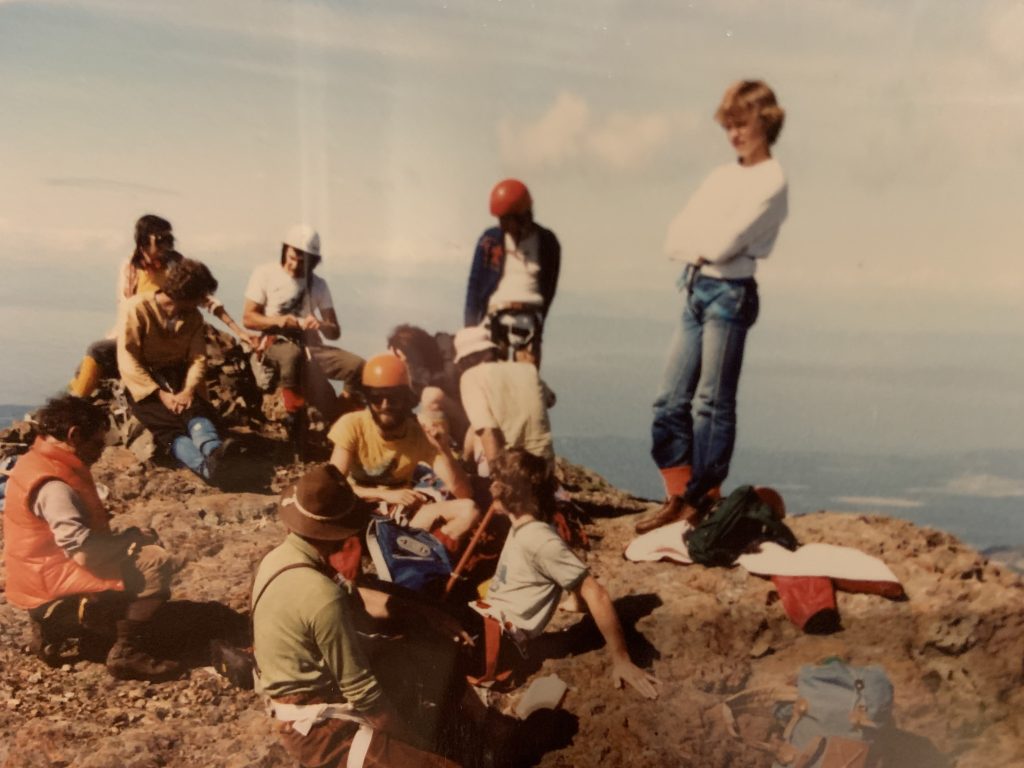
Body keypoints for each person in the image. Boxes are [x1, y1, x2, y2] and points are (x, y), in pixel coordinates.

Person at [637, 79, 789, 535]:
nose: (735, 134)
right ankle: (681, 498)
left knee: (711, 403)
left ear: (765, 122)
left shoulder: (772, 181)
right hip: (694, 287)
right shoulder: (722, 177)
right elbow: (675, 235)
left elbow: (722, 244)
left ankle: (702, 498)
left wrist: (702, 242)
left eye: (743, 124)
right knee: (669, 401)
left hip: (730, 294)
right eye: (730, 126)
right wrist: (701, 244)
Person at [252, 464, 461, 768]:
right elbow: (363, 692)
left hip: (296, 694)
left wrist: (423, 613)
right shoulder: (321, 594)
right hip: (319, 729)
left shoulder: (276, 560)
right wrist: (412, 745)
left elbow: (355, 600)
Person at [3, 396, 181, 680]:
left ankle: (53, 629)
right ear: (73, 435)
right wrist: (131, 543)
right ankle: (126, 651)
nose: (100, 452)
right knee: (154, 561)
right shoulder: (55, 486)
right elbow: (83, 552)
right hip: (53, 586)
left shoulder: (33, 461)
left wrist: (126, 538)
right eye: (97, 444)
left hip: (33, 577)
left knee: (134, 546)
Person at [474, 449, 659, 700]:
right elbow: (561, 577)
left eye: (497, 482)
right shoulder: (523, 526)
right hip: (486, 622)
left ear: (511, 492)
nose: (492, 488)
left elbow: (597, 594)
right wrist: (574, 600)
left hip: (497, 638)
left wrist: (622, 659)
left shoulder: (539, 539)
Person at [69, 214, 257, 398]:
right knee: (91, 360)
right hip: (140, 330)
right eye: (159, 240)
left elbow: (206, 299)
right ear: (143, 241)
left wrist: (238, 331)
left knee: (98, 351)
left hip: (171, 333)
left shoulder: (176, 264)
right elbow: (126, 306)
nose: (166, 245)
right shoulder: (131, 267)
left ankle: (74, 404)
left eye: (169, 239)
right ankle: (73, 403)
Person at [327, 354, 479, 556]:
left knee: (469, 509)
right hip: (358, 513)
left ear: (406, 399)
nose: (384, 405)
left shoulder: (420, 433)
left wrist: (443, 449)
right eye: (376, 398)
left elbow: (463, 493)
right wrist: (385, 494)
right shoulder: (352, 425)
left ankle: (417, 556)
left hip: (400, 518)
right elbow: (333, 487)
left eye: (393, 398)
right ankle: (407, 551)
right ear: (367, 398)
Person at [243, 225, 365, 444]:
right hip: (276, 342)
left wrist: (319, 324)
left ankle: (343, 412)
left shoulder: (318, 285)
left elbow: (334, 331)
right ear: (285, 250)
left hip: (311, 344)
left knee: (357, 366)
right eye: (292, 257)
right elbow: (249, 318)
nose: (295, 265)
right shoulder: (265, 273)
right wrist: (279, 321)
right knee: (291, 356)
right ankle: (294, 418)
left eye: (303, 261)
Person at [117, 257, 228, 482]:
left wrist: (188, 390)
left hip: (179, 377)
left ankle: (215, 452)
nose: (202, 302)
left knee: (196, 411)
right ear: (186, 295)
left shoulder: (193, 318)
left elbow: (198, 358)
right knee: (167, 428)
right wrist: (160, 394)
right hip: (144, 381)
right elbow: (127, 357)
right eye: (200, 297)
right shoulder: (136, 308)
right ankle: (206, 469)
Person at [464, 179, 560, 367]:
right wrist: (470, 329)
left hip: (529, 321)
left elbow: (549, 285)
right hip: (494, 318)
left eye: (507, 219)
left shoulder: (547, 242)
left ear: (523, 216)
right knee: (490, 379)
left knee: (526, 383)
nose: (503, 225)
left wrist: (539, 319)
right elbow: (475, 284)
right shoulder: (490, 240)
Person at [453, 326, 553, 476]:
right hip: (545, 469)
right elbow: (551, 400)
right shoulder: (528, 370)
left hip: (512, 471)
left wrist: (499, 482)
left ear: (467, 358)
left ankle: (466, 469)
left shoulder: (471, 377)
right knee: (476, 425)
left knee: (478, 427)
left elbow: (488, 431)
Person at [386, 324, 469, 445]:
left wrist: (412, 366)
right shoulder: (421, 369)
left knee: (431, 396)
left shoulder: (448, 348)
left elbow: (449, 383)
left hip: (471, 423)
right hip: (459, 422)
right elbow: (409, 403)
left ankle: (446, 454)